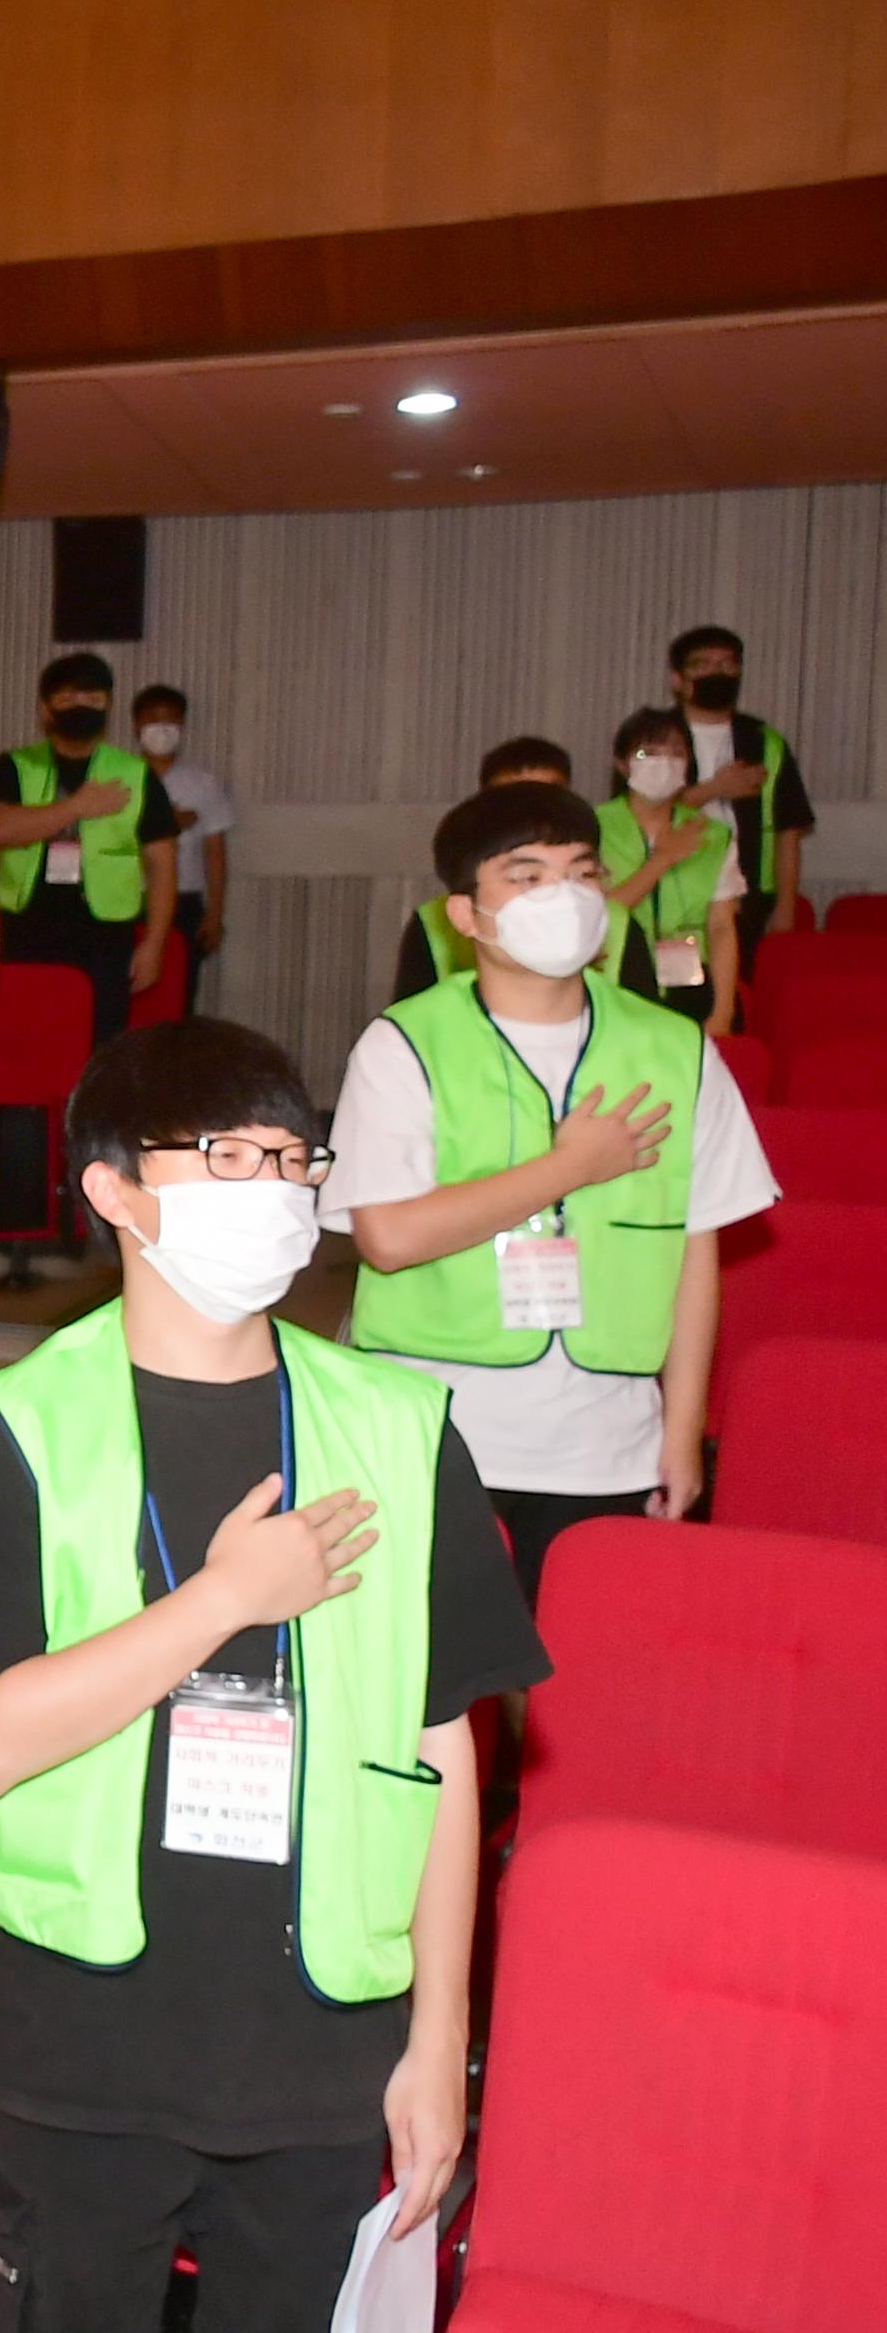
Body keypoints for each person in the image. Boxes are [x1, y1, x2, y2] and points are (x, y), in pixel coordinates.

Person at [0, 1018, 547, 2333]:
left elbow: (446, 1750)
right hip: (86, 2053)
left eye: (293, 1158)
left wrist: (438, 2043)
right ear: (113, 1191)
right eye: (230, 1156)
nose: (276, 1189)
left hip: (319, 2045)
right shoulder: (22, 1433)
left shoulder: (400, 1430)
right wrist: (222, 1601)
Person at [324, 780, 775, 1608]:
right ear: (465, 914)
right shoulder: (403, 1044)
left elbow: (695, 1257)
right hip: (436, 1425)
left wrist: (682, 1439)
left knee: (583, 1687)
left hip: (606, 1438)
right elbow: (386, 1237)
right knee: (436, 1692)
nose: (560, 898)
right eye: (526, 877)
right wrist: (569, 1167)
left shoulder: (675, 1050)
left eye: (581, 874)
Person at [0, 653, 178, 1041]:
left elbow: (163, 865)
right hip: (25, 928)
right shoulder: (15, 766)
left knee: (99, 1043)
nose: (82, 706)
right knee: (25, 1042)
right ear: (45, 708)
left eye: (93, 698)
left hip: (106, 935)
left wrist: (154, 944)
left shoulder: (135, 774)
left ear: (108, 705)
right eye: (69, 698)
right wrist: (75, 808)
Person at [387, 739, 621, 999]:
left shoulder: (616, 921)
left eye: (584, 874)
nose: (536, 816)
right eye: (529, 878)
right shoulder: (406, 1034)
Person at [661, 623, 814, 960]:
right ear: (678, 679)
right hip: (669, 888)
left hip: (749, 894)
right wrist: (714, 789)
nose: (718, 672)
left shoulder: (765, 741)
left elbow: (788, 831)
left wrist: (785, 908)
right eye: (703, 664)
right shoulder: (652, 735)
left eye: (727, 664)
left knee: (739, 993)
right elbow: (636, 810)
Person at [597, 709, 741, 1035]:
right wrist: (663, 859)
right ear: (622, 764)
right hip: (615, 975)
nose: (664, 762)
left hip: (691, 980)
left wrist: (723, 1011)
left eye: (676, 753)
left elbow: (722, 927)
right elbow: (602, 912)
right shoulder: (593, 827)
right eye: (648, 753)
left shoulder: (712, 834)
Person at [134, 685, 233, 1011]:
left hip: (184, 901)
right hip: (128, 900)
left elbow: (215, 853)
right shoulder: (119, 778)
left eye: (171, 721)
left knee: (179, 994)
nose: (162, 729)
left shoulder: (203, 783)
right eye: (153, 720)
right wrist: (165, 822)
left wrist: (215, 914)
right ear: (136, 726)